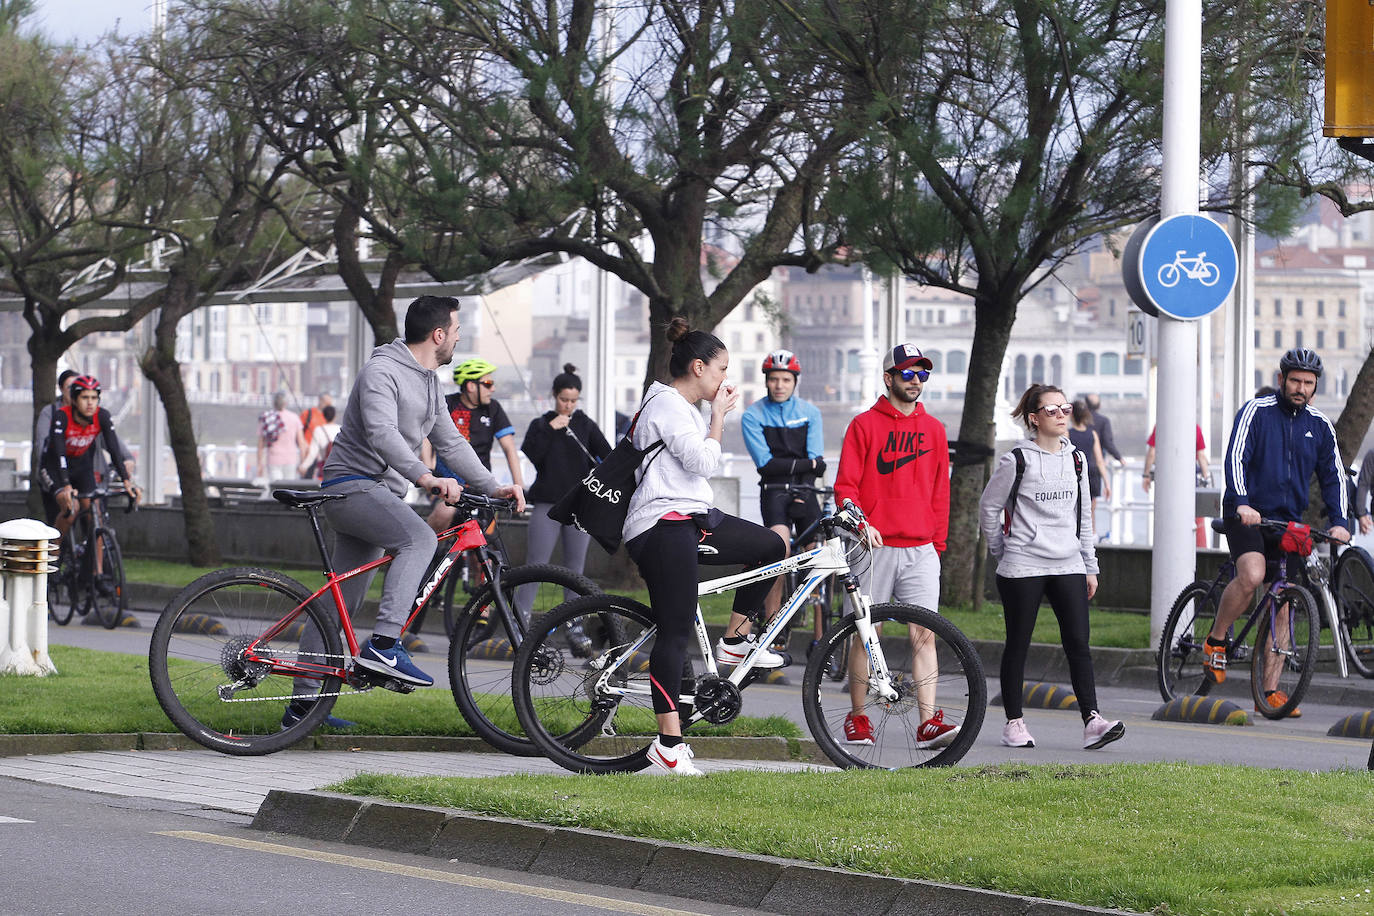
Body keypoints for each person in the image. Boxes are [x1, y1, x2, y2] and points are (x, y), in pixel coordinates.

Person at [311, 295, 525, 704]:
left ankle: (303, 706)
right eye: (457, 331)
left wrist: (492, 486)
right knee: (420, 539)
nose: (459, 338)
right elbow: (381, 433)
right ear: (438, 335)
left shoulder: (429, 381)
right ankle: (384, 644)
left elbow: (451, 442)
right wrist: (426, 477)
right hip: (352, 486)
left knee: (341, 606)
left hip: (378, 494)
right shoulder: (381, 372)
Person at [624, 317, 786, 775]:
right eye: (721, 369)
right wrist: (719, 418)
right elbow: (701, 463)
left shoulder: (681, 408)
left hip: (691, 519)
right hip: (662, 526)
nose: (725, 379)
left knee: (770, 547)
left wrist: (711, 418)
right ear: (698, 368)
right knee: (674, 632)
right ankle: (668, 745)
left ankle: (733, 642)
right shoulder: (668, 405)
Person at [979, 384, 1125, 751]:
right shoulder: (1017, 460)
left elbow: (1083, 517)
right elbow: (989, 508)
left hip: (1068, 563)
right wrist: (1001, 550)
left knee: (1078, 643)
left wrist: (1090, 565)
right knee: (1018, 644)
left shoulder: (1076, 459)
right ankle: (1013, 723)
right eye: (1052, 410)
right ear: (1034, 419)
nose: (1061, 415)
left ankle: (1093, 721)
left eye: (1065, 408)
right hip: (1022, 566)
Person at [1208, 348, 1351, 718]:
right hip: (1246, 514)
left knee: (1285, 603)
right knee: (1253, 575)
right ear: (1281, 380)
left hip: (1287, 521)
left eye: (1308, 383)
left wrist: (1340, 521)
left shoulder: (1320, 425)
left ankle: (1269, 692)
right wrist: (1242, 502)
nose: (1301, 388)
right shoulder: (1256, 412)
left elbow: (1334, 475)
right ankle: (1216, 640)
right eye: (1295, 381)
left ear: (1316, 386)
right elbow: (1236, 458)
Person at [833, 343, 956, 750]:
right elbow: (845, 487)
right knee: (867, 634)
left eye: (922, 374)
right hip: (873, 547)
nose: (916, 380)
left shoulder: (935, 429)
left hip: (921, 549)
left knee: (925, 635)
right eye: (907, 373)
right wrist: (862, 524)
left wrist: (937, 542)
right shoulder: (863, 425)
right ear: (888, 378)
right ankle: (858, 717)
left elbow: (941, 491)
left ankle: (928, 723)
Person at [740, 349, 825, 651]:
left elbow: (818, 464)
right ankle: (774, 627)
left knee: (818, 557)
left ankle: (821, 638)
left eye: (785, 380)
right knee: (780, 549)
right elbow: (766, 465)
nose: (779, 385)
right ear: (766, 381)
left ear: (794, 381)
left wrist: (804, 475)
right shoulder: (752, 415)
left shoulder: (810, 413)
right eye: (774, 379)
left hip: (805, 489)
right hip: (773, 489)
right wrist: (807, 464)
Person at [518, 364, 611, 614]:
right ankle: (519, 619)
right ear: (554, 395)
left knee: (575, 569)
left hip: (579, 506)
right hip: (547, 503)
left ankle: (573, 622)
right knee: (535, 564)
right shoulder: (541, 424)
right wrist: (551, 430)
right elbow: (533, 454)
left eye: (573, 401)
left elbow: (608, 455)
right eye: (563, 399)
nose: (568, 405)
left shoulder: (585, 424)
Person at [425, 357, 525, 534]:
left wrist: (520, 487)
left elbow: (509, 449)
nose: (492, 389)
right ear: (471, 386)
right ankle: (424, 547)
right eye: (488, 384)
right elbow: (426, 436)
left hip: (481, 485)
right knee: (443, 513)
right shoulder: (448, 404)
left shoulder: (493, 408)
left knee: (486, 535)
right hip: (447, 484)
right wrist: (428, 468)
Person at [40, 375, 142, 544]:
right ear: (74, 400)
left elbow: (114, 449)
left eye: (94, 398)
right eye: (85, 398)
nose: (90, 403)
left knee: (95, 515)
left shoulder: (102, 416)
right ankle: (53, 552)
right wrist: (66, 485)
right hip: (55, 466)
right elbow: (59, 453)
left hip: (81, 465)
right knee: (72, 509)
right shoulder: (61, 416)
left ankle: (95, 561)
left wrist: (126, 481)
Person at [34, 370, 79, 525]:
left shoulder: (86, 413)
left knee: (93, 510)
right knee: (64, 512)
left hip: (77, 469)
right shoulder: (51, 413)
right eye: (69, 387)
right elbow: (43, 445)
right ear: (61, 389)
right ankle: (58, 539)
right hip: (54, 471)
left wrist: (126, 458)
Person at [1067, 400, 1110, 523]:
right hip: (1092, 473)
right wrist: (1107, 483)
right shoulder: (1093, 434)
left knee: (1074, 510)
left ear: (1071, 415)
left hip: (1074, 473)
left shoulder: (1067, 434)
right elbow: (1100, 460)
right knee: (1090, 511)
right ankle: (1092, 533)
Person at [1142, 423, 1210, 491]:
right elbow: (1201, 456)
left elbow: (1152, 453)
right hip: (1189, 475)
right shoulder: (1195, 428)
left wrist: (1146, 475)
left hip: (1166, 474)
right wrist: (1206, 478)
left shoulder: (1162, 425)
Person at [257, 391, 305, 482]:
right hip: (291, 459)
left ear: (273, 402)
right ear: (286, 403)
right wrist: (303, 463)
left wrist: (259, 464)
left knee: (276, 488)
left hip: (273, 458)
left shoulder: (266, 417)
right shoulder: (294, 418)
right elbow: (301, 443)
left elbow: (261, 444)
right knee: (289, 487)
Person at [298, 404, 340, 480]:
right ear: (335, 416)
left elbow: (313, 453)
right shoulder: (340, 429)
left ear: (323, 416)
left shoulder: (319, 430)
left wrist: (303, 466)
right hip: (338, 469)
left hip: (324, 468)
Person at [1083, 394, 1125, 467]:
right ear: (1099, 406)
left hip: (1079, 462)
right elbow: (1107, 442)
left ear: (1086, 405)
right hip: (1096, 463)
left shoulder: (1079, 420)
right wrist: (1119, 458)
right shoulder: (1103, 421)